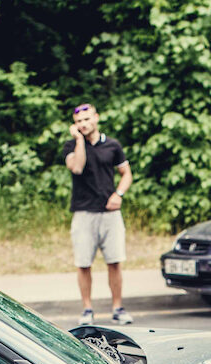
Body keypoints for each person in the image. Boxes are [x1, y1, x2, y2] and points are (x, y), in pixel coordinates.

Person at [62, 103, 133, 325]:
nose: (83, 124)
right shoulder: (71, 146)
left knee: (115, 261)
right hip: (84, 213)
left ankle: (118, 308)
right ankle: (87, 310)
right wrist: (80, 141)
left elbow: (126, 173)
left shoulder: (112, 145)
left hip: (110, 213)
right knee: (83, 263)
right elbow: (77, 168)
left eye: (87, 119)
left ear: (96, 118)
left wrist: (119, 194)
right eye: (79, 121)